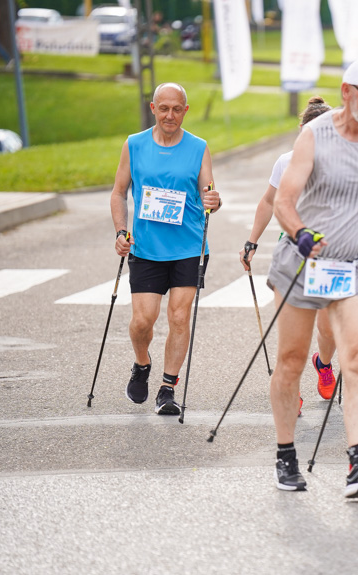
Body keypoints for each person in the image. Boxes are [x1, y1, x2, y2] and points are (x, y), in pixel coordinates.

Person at [267, 56, 358, 496]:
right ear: (346, 91)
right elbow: (283, 201)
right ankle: (286, 454)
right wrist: (301, 233)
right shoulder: (315, 136)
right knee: (290, 360)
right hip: (302, 262)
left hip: (353, 266)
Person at [110, 83, 220, 415]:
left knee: (179, 315)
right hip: (146, 248)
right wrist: (120, 231)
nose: (170, 115)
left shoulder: (199, 147)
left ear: (185, 110)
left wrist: (213, 200)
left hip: (189, 246)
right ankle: (142, 364)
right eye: (164, 108)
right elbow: (118, 193)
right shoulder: (134, 144)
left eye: (177, 109)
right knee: (143, 320)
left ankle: (167, 388)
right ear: (153, 108)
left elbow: (209, 193)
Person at [240, 96, 337, 407]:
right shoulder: (286, 161)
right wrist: (252, 241)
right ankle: (291, 389)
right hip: (293, 251)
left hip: (329, 252)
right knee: (291, 332)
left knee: (327, 329)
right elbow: (269, 201)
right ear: (301, 131)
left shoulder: (342, 162)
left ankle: (323, 363)